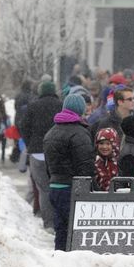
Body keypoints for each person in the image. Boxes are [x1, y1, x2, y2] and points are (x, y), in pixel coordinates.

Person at [43, 92, 95, 252]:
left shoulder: (50, 133)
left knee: (61, 228)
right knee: (74, 230)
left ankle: (59, 260)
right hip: (72, 189)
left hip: (55, 187)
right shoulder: (79, 133)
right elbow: (85, 165)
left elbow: (48, 165)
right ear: (80, 110)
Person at [22, 80, 64, 230]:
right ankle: (60, 220)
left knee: (43, 189)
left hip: (37, 152)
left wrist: (30, 145)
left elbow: (24, 127)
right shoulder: (61, 105)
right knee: (58, 187)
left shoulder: (33, 106)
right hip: (56, 151)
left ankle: (48, 223)